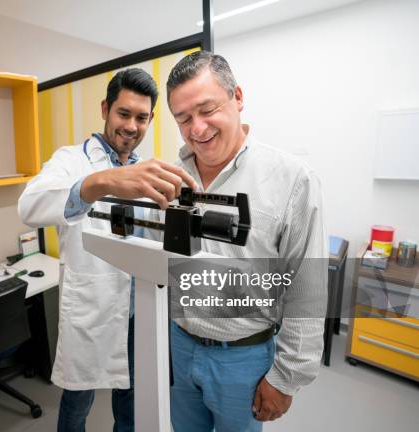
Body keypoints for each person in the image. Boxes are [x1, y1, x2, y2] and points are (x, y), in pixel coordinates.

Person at [19, 68, 198, 432]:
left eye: (142, 117)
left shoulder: (150, 171)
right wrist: (100, 182)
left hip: (140, 311)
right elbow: (29, 207)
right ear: (105, 109)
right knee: (76, 406)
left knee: (131, 404)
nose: (132, 126)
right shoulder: (72, 160)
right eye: (123, 113)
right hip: (93, 309)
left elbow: (156, 239)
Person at [165, 51, 327, 431]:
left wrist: (285, 379)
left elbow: (307, 287)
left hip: (243, 358)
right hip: (179, 344)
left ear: (237, 97)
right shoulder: (172, 179)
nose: (197, 128)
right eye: (183, 118)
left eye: (207, 110)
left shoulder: (291, 180)